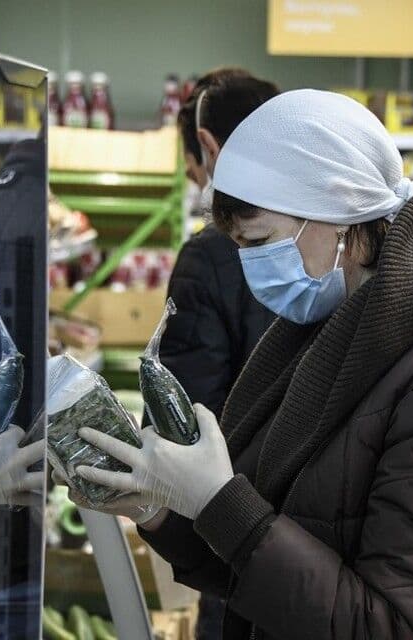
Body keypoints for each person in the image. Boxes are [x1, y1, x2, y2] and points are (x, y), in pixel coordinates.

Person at [69, 89, 413, 639]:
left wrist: (225, 504)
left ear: (338, 213)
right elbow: (271, 568)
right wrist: (162, 510)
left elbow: (398, 627)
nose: (251, 266)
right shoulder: (332, 333)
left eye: (261, 241)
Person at [164, 69, 279, 639]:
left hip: (238, 545)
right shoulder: (355, 254)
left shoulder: (209, 258)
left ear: (208, 149)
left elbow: (185, 428)